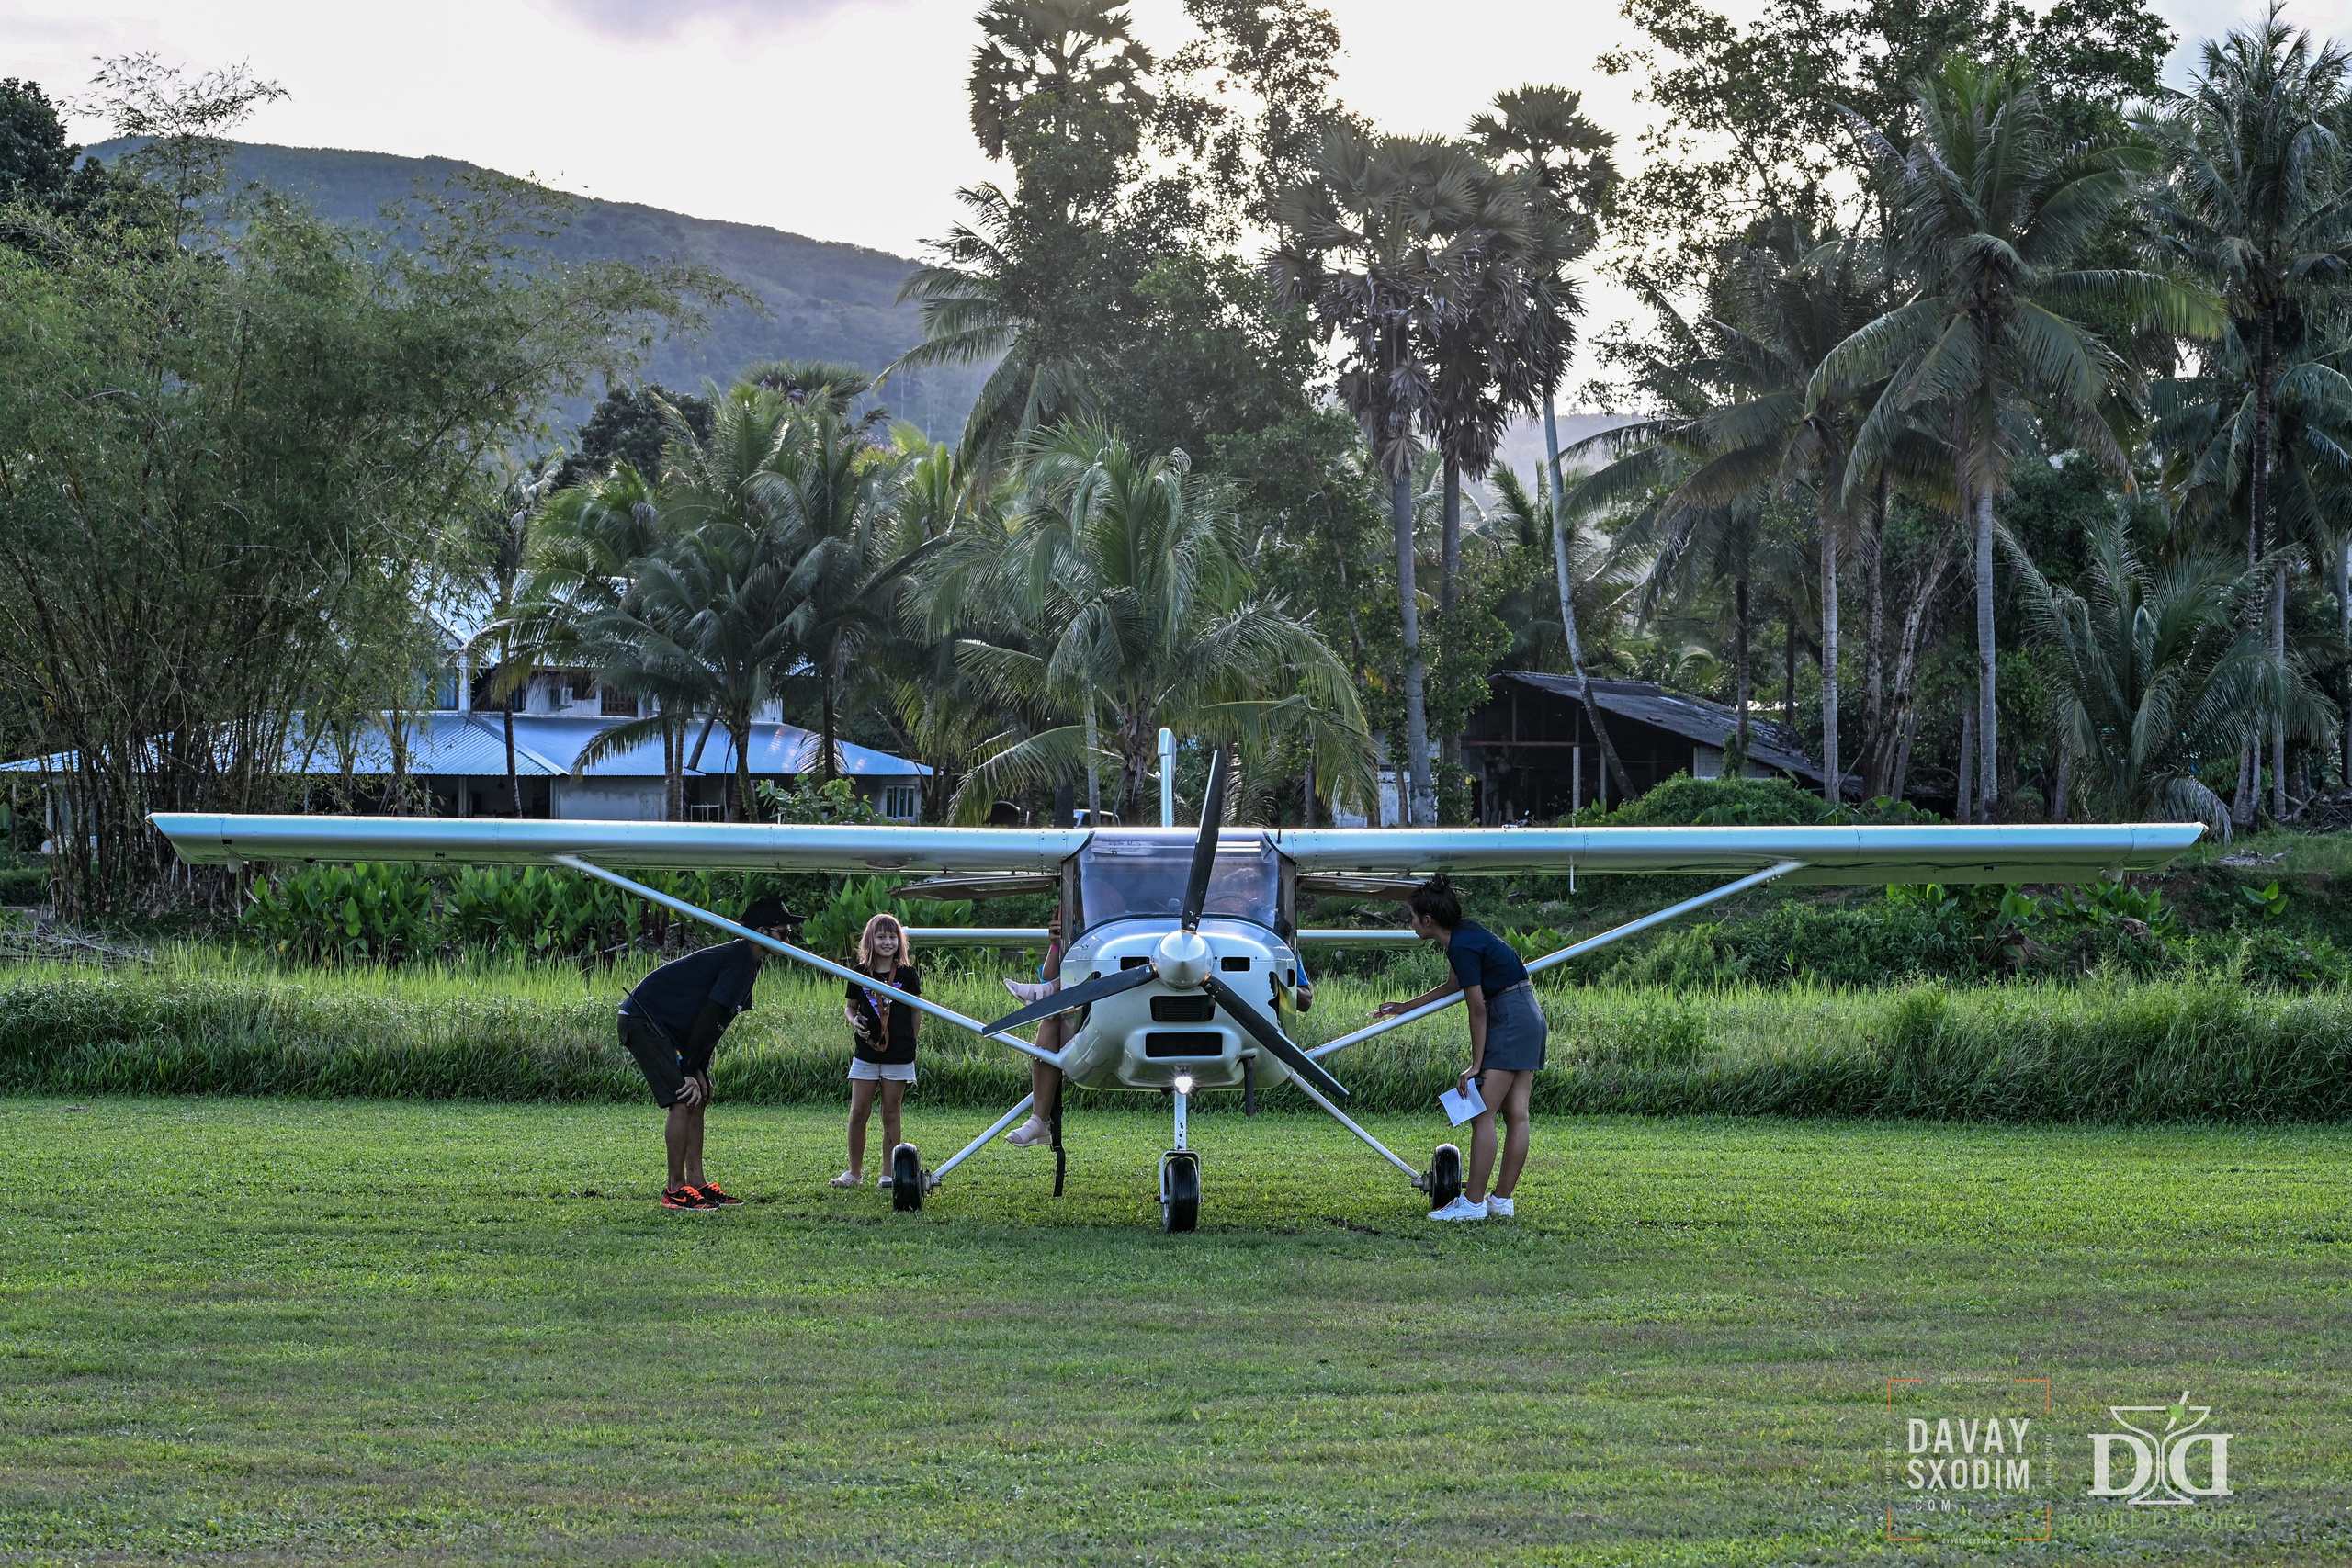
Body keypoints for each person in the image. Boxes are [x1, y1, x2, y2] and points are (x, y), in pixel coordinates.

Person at [1372, 874, 1545, 1222]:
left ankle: (1474, 1203)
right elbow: (1454, 985)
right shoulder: (1465, 935)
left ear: (1428, 921)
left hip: (1508, 1018)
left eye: (1412, 918)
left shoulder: (1462, 945)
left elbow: (1477, 1009)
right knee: (1516, 1114)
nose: (1411, 923)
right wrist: (1407, 1005)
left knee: (1482, 1113)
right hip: (1527, 1013)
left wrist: (1475, 1066)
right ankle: (1501, 1201)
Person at [618, 896, 797, 1211]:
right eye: (783, 932)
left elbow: (716, 1023)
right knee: (683, 1098)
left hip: (671, 1027)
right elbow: (709, 1017)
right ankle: (675, 1190)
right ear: (761, 932)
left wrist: (699, 1069)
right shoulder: (740, 960)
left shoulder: (749, 962)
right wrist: (688, 1070)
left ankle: (697, 1184)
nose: (788, 939)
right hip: (644, 1019)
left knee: (699, 1096)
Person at [834, 912, 922, 1189]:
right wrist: (853, 1021)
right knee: (859, 1111)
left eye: (893, 936)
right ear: (870, 940)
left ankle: (888, 1173)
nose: (888, 941)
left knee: (891, 1113)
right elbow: (850, 1007)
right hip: (866, 1053)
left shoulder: (908, 974)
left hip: (898, 1054)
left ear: (900, 941)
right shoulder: (859, 972)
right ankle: (854, 1172)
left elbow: (917, 1011)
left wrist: (911, 1041)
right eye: (881, 936)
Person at [1003, 908, 1065, 1148]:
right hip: (1087, 1023)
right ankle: (1040, 1120)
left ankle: (1048, 995)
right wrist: (1057, 945)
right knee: (1050, 1018)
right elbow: (1049, 974)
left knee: (1051, 1004)